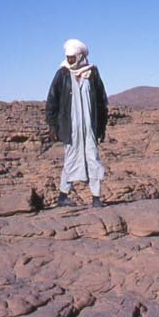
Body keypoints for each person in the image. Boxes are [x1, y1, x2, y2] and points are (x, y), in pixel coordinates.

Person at [45, 38, 108, 208]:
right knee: (71, 159)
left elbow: (101, 102)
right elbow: (52, 101)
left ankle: (96, 197)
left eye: (73, 57)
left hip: (89, 127)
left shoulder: (92, 74)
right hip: (70, 127)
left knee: (92, 158)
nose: (70, 60)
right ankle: (63, 196)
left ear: (80, 56)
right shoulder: (63, 74)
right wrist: (52, 125)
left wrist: (101, 127)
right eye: (68, 57)